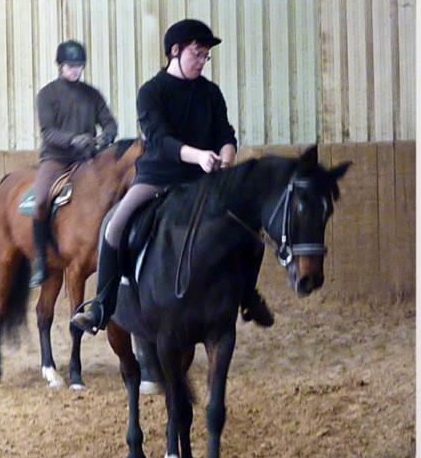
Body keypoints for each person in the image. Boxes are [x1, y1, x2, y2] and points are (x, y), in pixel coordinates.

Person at [71, 18, 273, 333]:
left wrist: (226, 160)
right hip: (159, 178)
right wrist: (199, 156)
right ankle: (102, 304)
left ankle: (248, 295)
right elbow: (160, 140)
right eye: (197, 54)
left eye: (206, 56)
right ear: (174, 51)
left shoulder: (210, 92)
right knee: (114, 227)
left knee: (252, 236)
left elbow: (226, 134)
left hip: (204, 180)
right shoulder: (152, 92)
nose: (202, 61)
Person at [29, 39, 118, 288]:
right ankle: (40, 260)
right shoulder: (47, 94)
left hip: (87, 160)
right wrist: (73, 140)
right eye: (70, 66)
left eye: (79, 66)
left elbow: (108, 120)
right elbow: (48, 132)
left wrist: (108, 135)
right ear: (60, 66)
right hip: (56, 159)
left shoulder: (92, 94)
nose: (75, 70)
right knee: (40, 201)